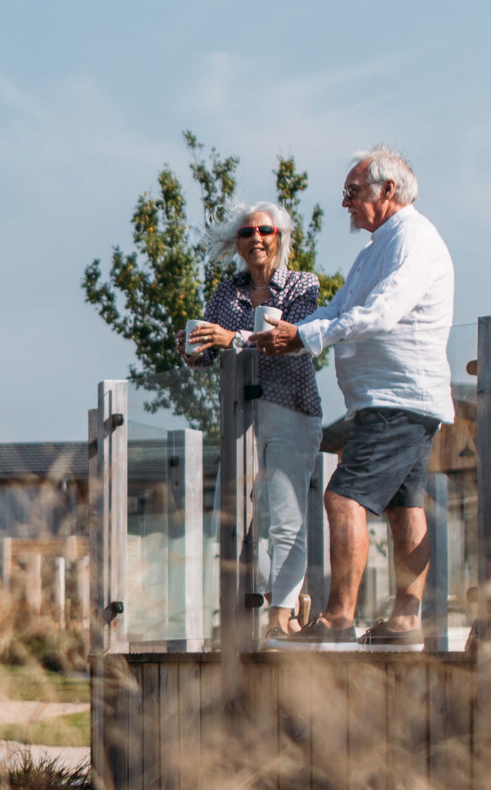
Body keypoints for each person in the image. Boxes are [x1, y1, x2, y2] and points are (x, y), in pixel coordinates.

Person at [255, 146, 454, 645]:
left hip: (397, 398)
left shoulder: (412, 239)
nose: (345, 202)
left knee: (342, 497)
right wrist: (291, 331)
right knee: (404, 508)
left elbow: (382, 313)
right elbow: (339, 308)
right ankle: (406, 622)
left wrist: (301, 339)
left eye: (353, 191)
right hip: (390, 398)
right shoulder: (376, 248)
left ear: (388, 191)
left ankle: (338, 620)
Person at [181, 202, 323, 639]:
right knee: (229, 522)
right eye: (246, 233)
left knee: (285, 520)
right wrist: (191, 351)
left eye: (264, 230)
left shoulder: (302, 286)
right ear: (237, 244)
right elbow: (208, 353)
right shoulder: (227, 293)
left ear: (280, 236)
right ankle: (265, 604)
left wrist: (230, 338)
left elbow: (288, 340)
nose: (256, 238)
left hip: (292, 411)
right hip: (241, 417)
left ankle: (279, 620)